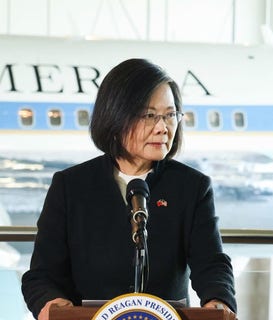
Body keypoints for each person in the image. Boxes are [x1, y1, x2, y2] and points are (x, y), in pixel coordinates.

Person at [21, 58, 236, 320]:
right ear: (115, 117)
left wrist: (218, 300)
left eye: (170, 115)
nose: (163, 127)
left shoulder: (192, 187)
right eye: (149, 115)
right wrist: (51, 304)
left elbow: (211, 264)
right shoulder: (71, 186)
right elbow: (41, 275)